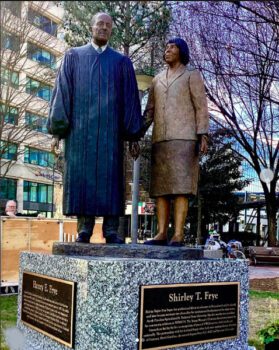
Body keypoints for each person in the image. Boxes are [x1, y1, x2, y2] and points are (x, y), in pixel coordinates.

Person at [47, 12, 142, 244]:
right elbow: (63, 94)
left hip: (111, 134)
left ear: (111, 31)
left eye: (108, 26)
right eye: (100, 24)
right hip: (80, 134)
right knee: (82, 179)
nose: (104, 28)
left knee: (111, 179)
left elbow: (130, 100)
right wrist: (58, 132)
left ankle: (111, 230)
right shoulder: (73, 57)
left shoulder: (121, 63)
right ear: (92, 27)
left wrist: (133, 135)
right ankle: (84, 230)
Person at [143, 38, 209, 246]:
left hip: (184, 138)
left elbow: (201, 106)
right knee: (161, 189)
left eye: (172, 47)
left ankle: (178, 233)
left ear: (182, 51)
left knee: (181, 187)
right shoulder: (157, 80)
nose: (167, 50)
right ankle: (161, 232)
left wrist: (203, 134)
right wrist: (136, 133)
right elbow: (149, 111)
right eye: (166, 47)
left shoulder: (191, 75)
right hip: (160, 139)